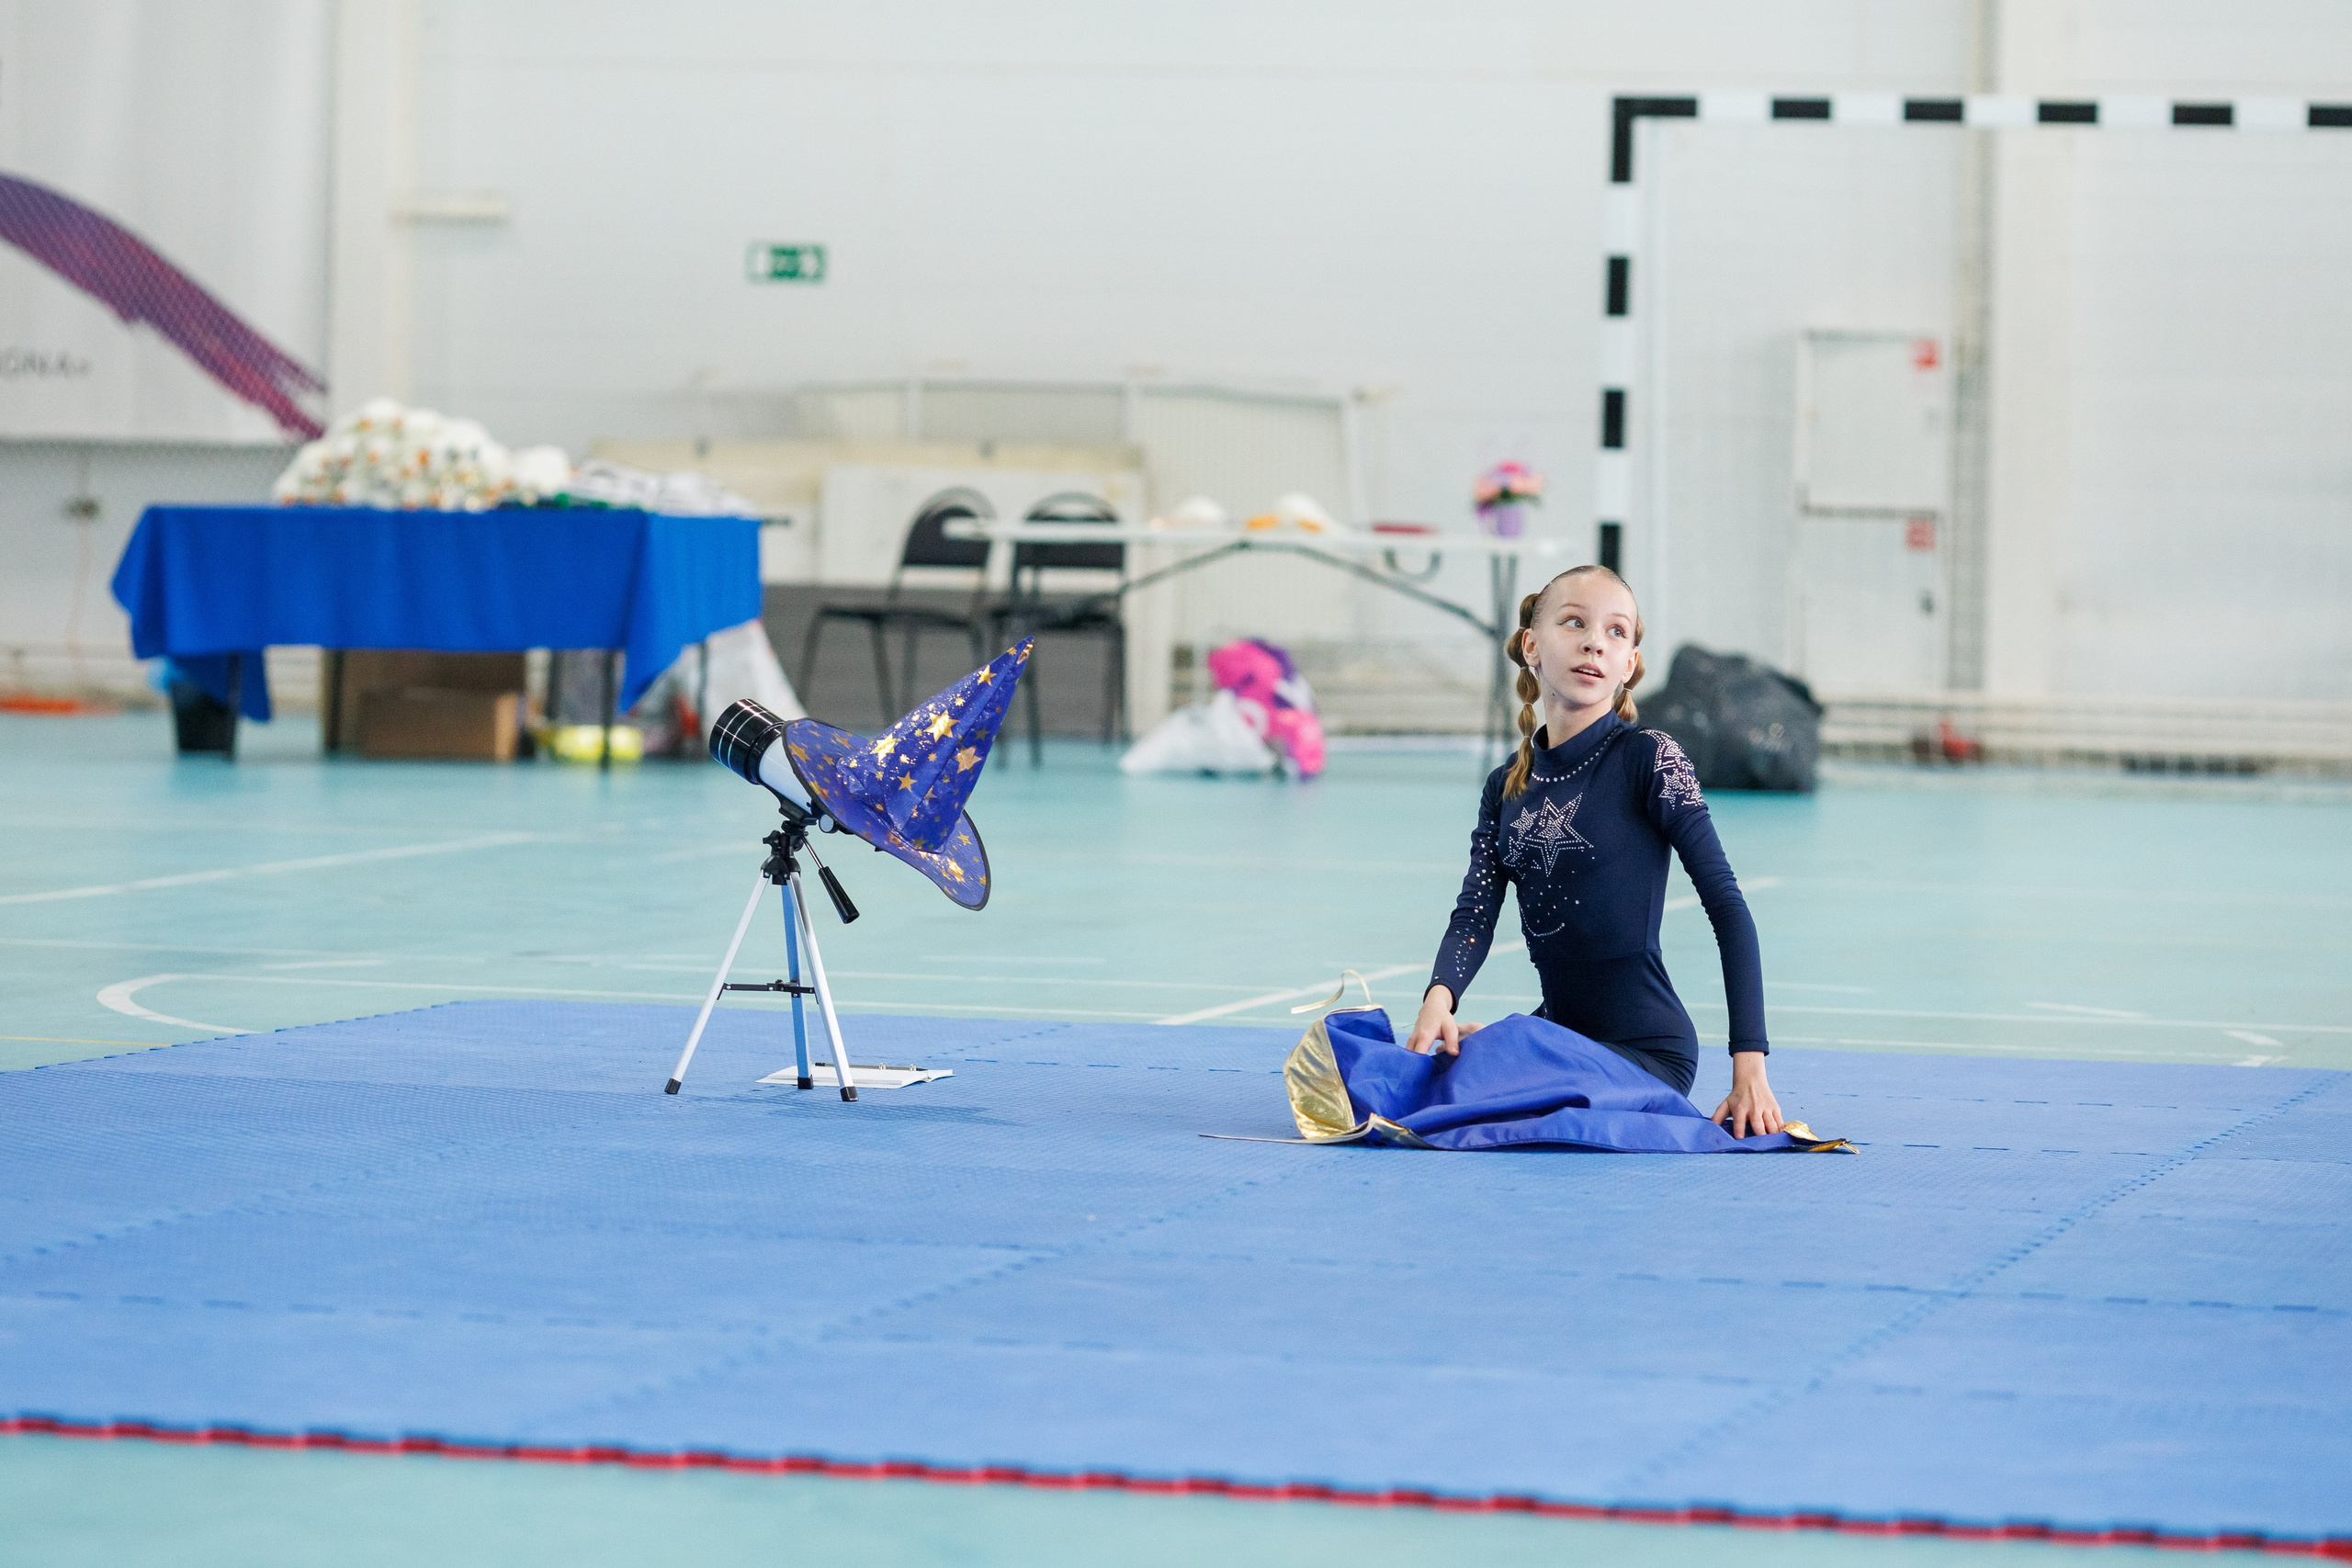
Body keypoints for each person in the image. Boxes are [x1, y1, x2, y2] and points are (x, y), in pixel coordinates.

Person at [1405, 564, 1784, 1136]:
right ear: (1532, 645)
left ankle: (1517, 1057)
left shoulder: (1650, 759)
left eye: (1615, 632)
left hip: (1645, 1055)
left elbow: (1726, 905)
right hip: (1558, 1036)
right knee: (1428, 1082)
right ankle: (1515, 1055)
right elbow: (1475, 915)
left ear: (1629, 664)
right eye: (1574, 623)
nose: (1593, 643)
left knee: (1479, 1092)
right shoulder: (1505, 785)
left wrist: (1749, 1067)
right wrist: (1441, 999)